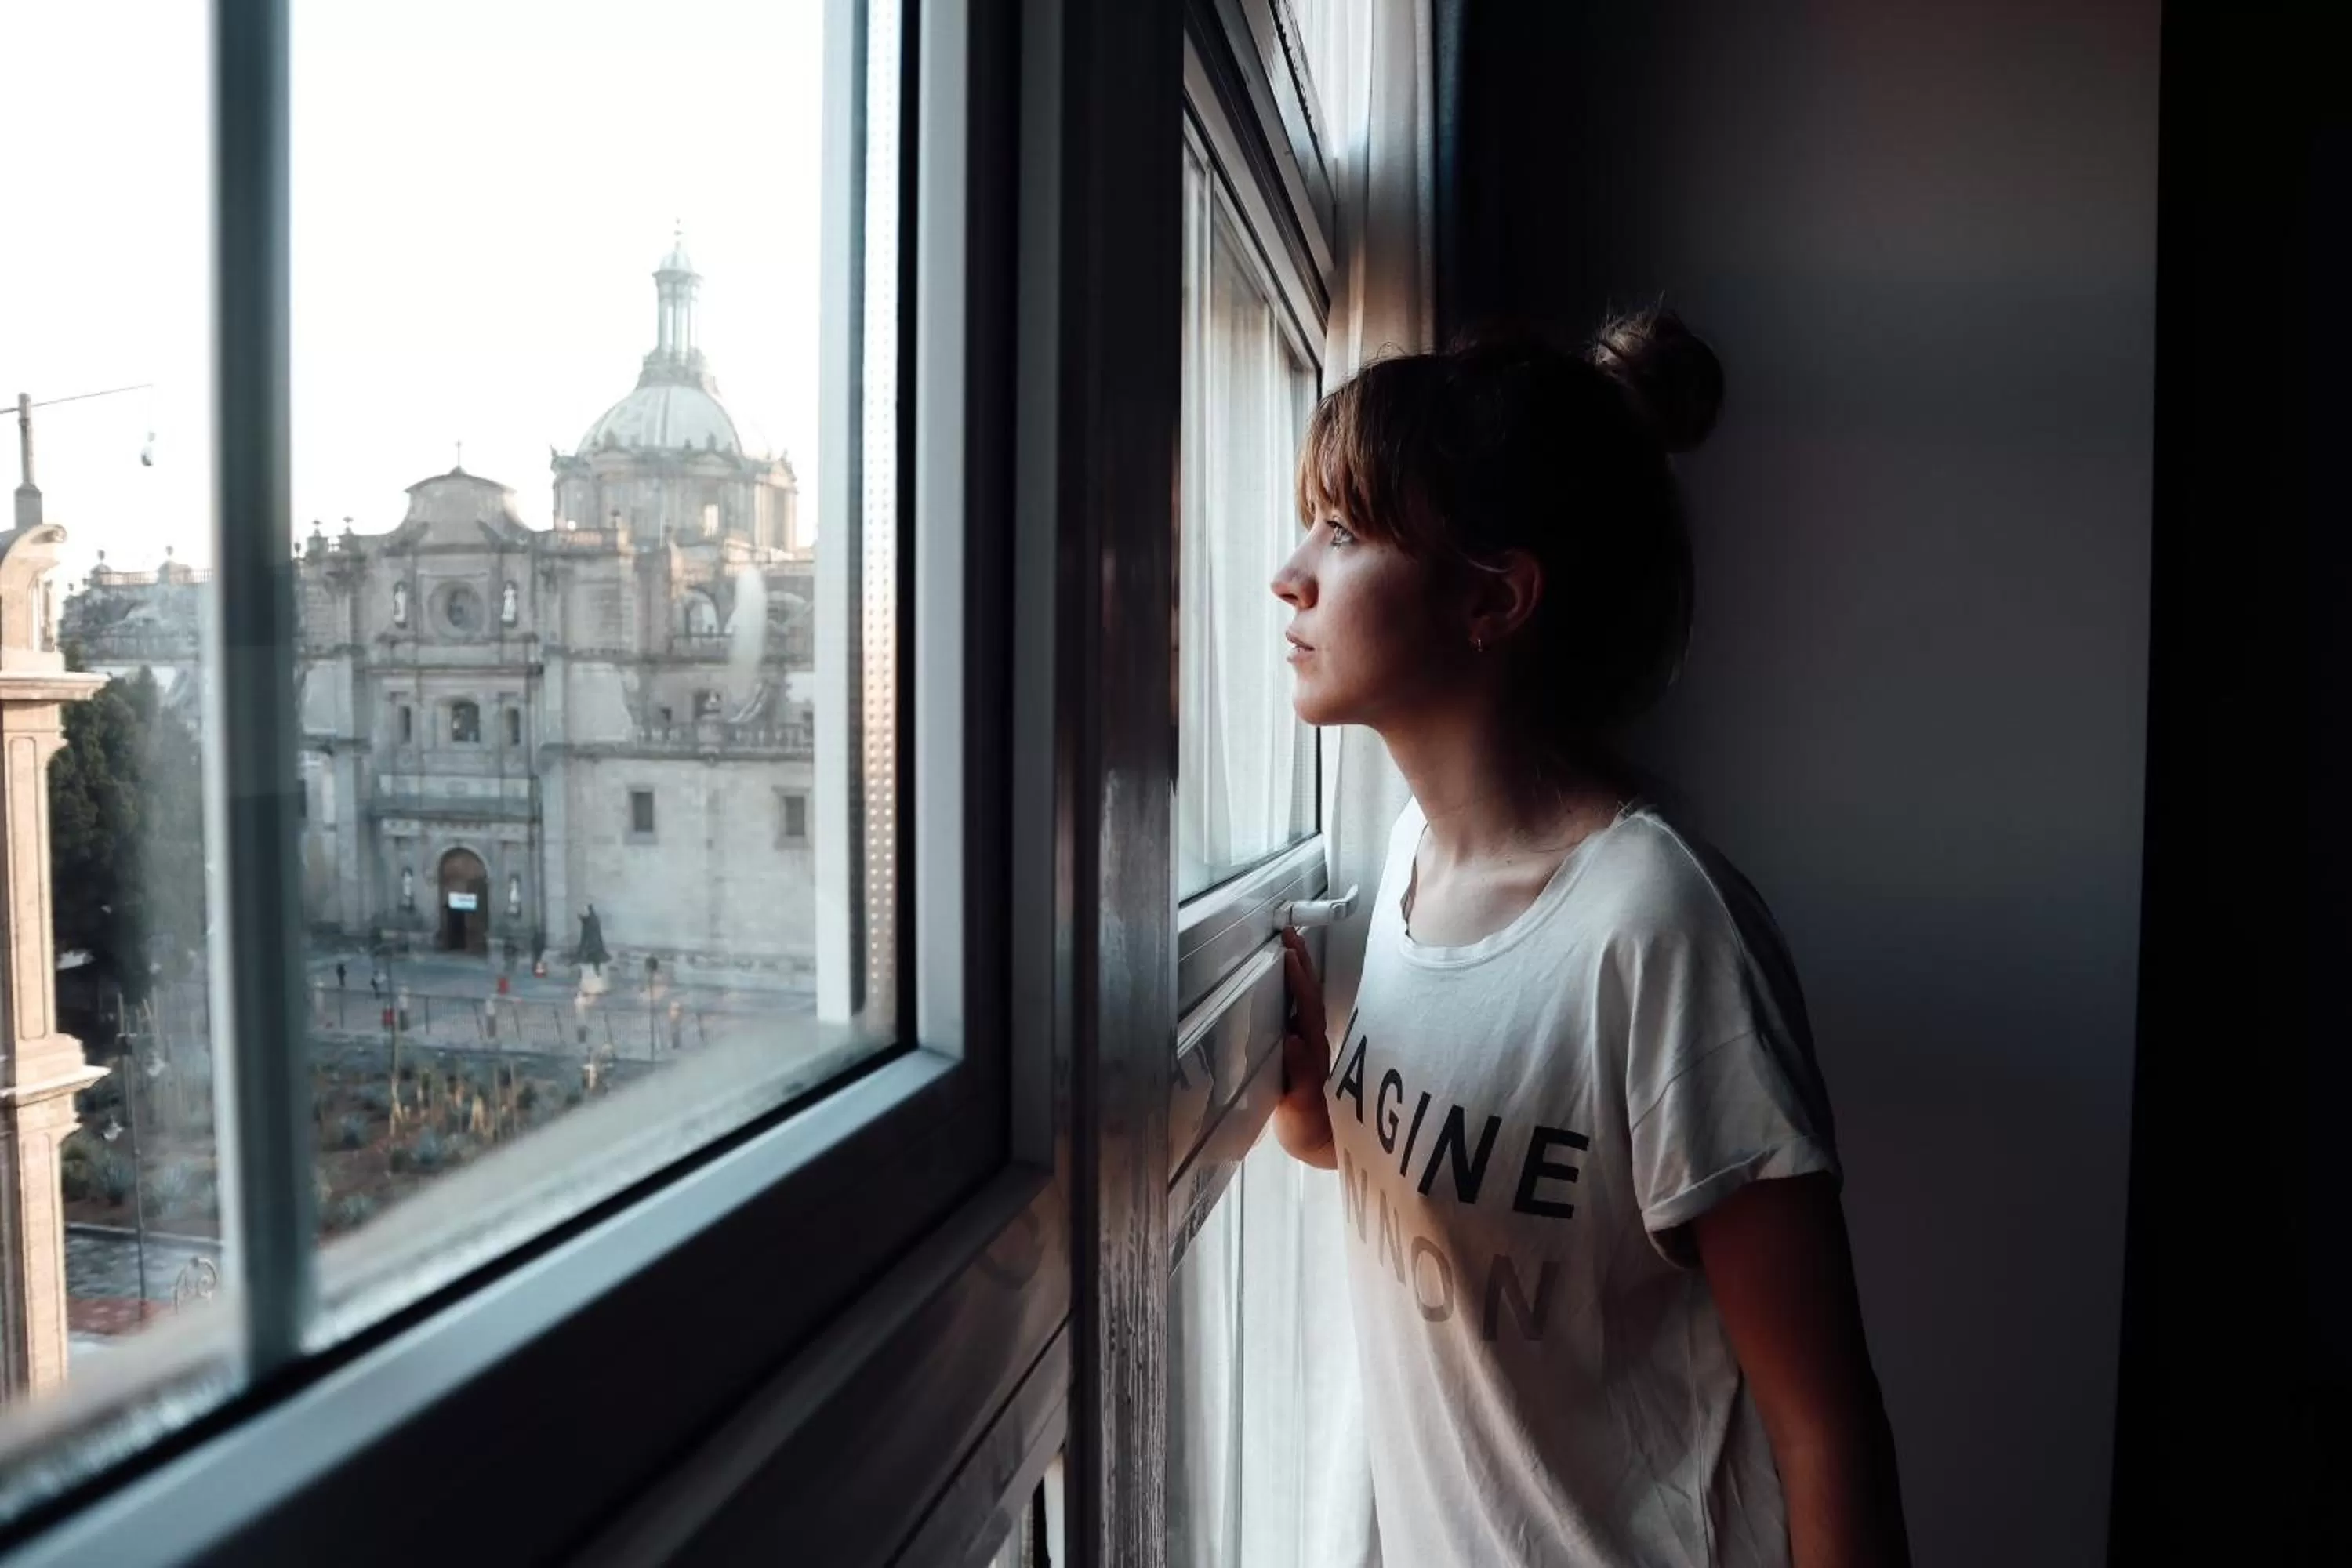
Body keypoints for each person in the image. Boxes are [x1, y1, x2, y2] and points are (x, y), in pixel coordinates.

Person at [1270, 312, 1908, 1567]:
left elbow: (1826, 1430)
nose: (1290, 573)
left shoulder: (1660, 932)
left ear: (1493, 599)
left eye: (1342, 536)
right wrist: (1310, 1111)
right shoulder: (1402, 868)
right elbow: (1506, 1193)